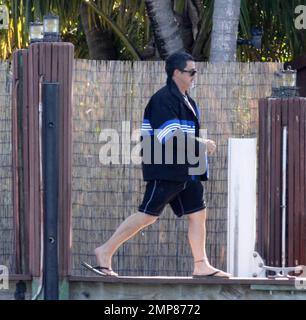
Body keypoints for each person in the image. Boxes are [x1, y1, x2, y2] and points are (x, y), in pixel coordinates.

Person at [82, 52, 231, 278]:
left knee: (198, 213)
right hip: (166, 169)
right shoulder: (163, 99)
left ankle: (201, 264)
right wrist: (201, 143)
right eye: (190, 71)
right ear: (176, 73)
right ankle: (105, 251)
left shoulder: (188, 101)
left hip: (187, 170)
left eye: (195, 71)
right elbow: (169, 137)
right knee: (148, 215)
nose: (194, 75)